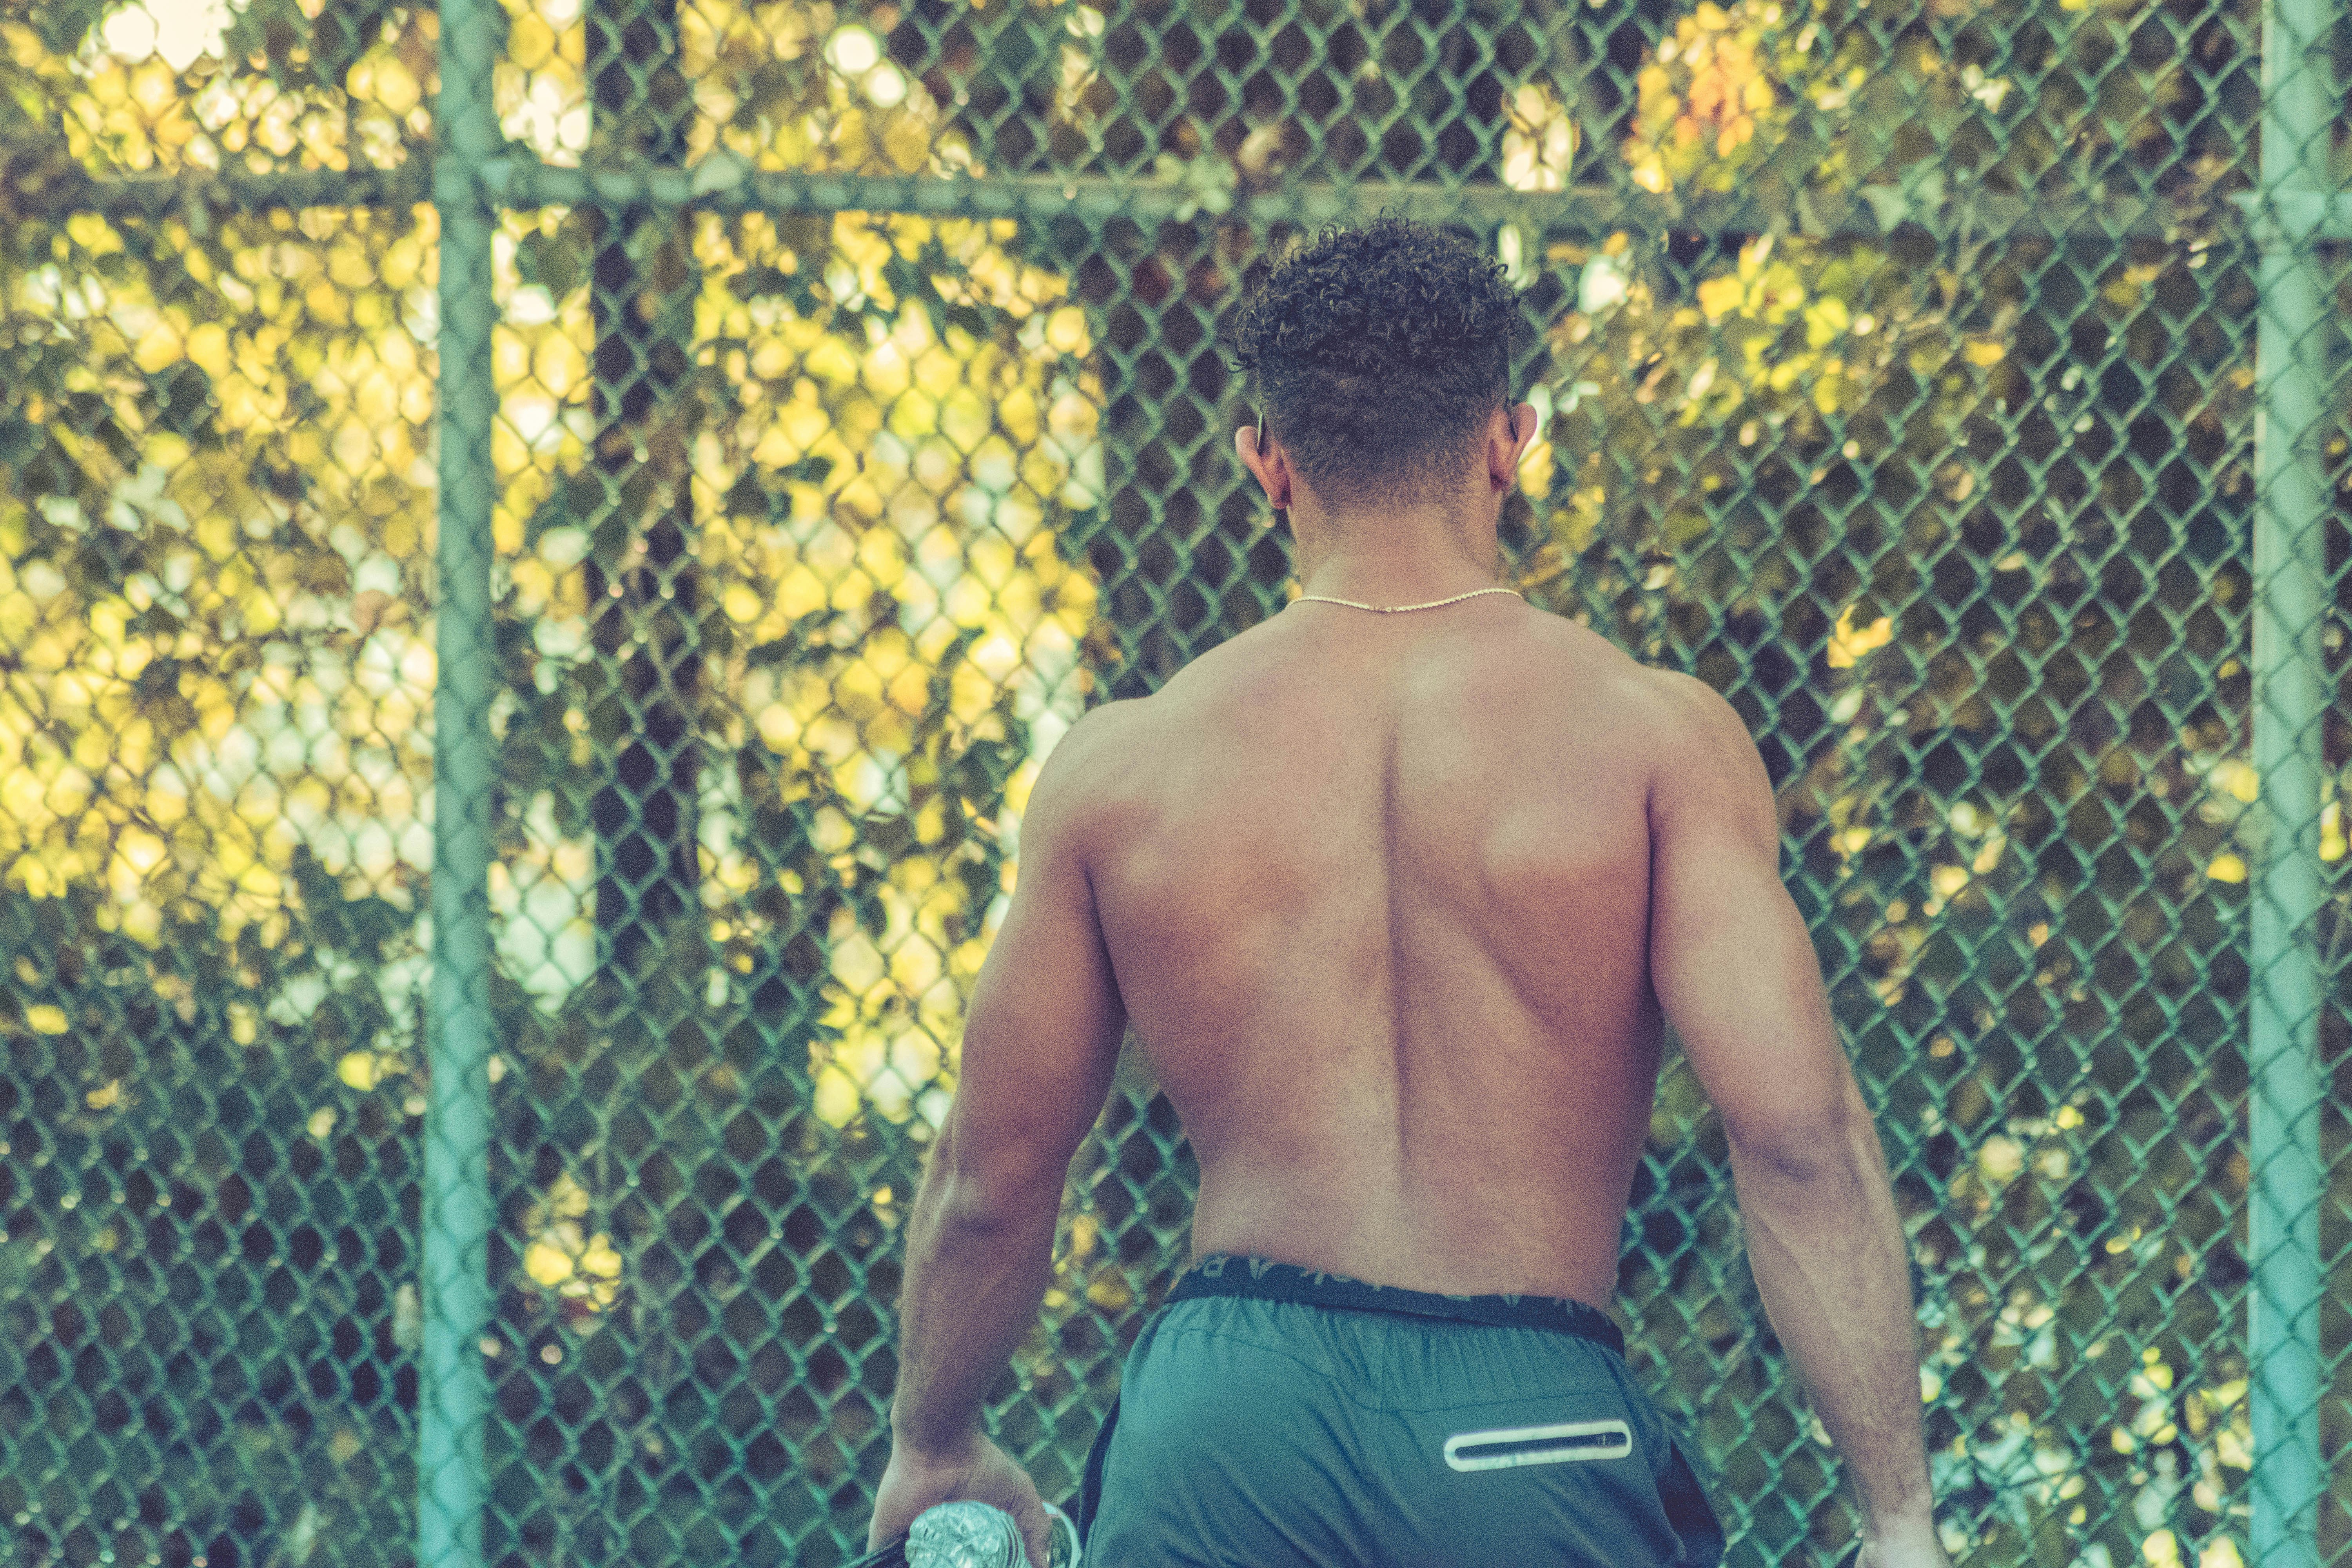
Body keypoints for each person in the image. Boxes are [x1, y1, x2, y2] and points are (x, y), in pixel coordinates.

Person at [866, 216, 1948, 1568]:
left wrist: (936, 1440)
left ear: (1267, 463)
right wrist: (1897, 1520)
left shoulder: (1126, 768)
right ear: (1511, 440)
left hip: (1228, 1426)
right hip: (1531, 1427)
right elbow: (1797, 1139)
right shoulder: (1655, 742)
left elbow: (994, 1171)